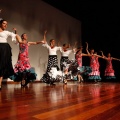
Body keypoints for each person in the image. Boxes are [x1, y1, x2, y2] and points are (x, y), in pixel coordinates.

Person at [0, 19, 23, 90]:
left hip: (4, 49)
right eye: (4, 23)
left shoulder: (6, 32)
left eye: (6, 24)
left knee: (2, 66)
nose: (5, 25)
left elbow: (16, 35)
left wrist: (20, 40)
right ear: (0, 24)